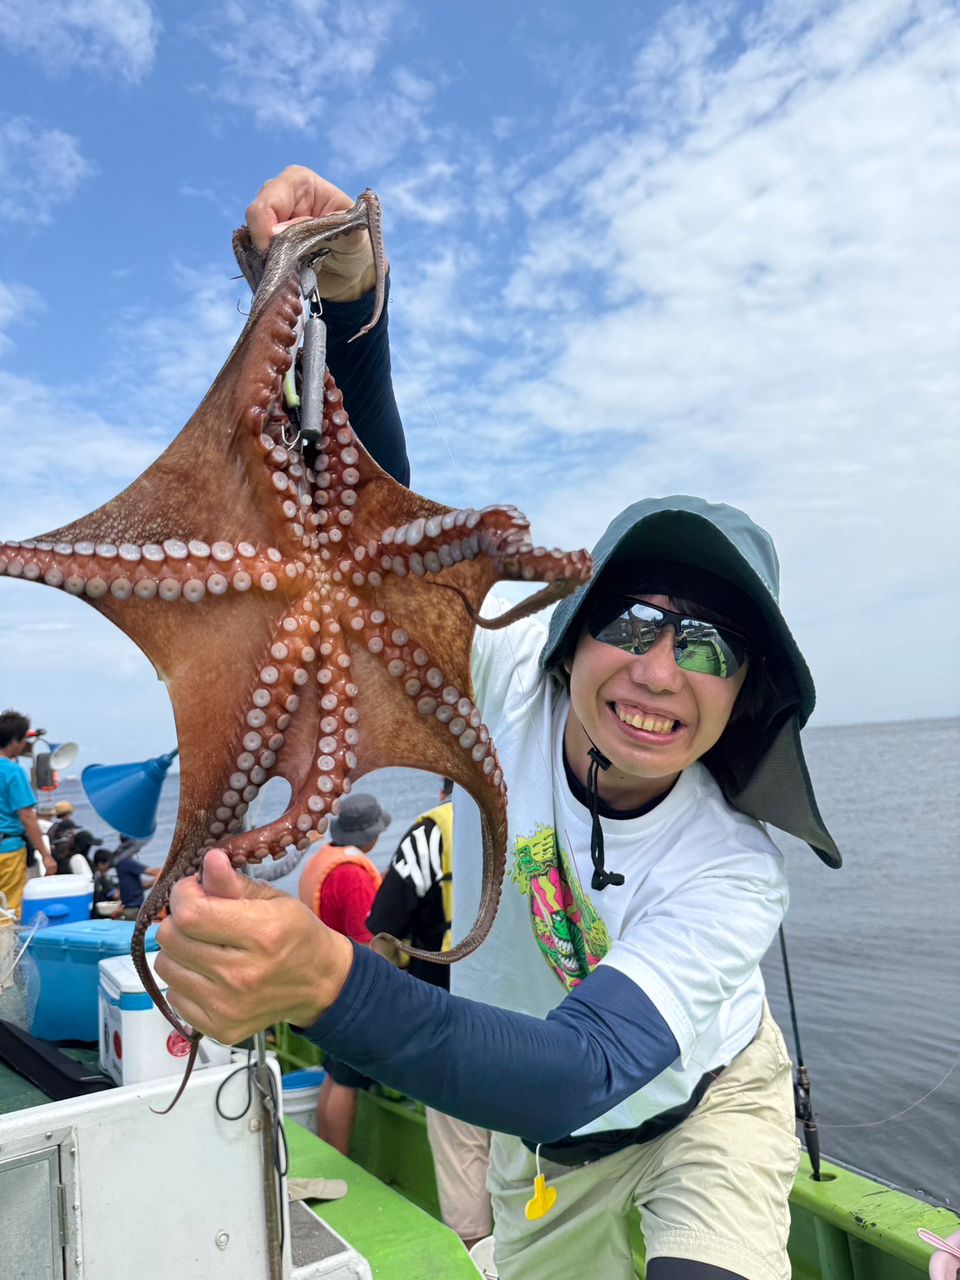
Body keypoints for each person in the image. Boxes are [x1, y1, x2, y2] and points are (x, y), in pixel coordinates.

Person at [156, 167, 842, 1280]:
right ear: (570, 636)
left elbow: (583, 1059)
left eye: (711, 645)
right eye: (633, 619)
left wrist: (328, 984)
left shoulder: (732, 869)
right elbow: (372, 554)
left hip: (709, 1103)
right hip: (552, 1152)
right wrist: (350, 307)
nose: (662, 670)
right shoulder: (503, 674)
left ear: (745, 692)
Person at [368, 778, 494, 1249]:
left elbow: (384, 937)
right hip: (531, 1025)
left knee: (462, 1151)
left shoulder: (431, 832)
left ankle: (476, 1253)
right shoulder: (540, 821)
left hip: (446, 1024)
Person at [297, 792, 389, 1155]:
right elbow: (367, 940)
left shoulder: (326, 861)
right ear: (369, 835)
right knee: (347, 1079)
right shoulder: (353, 875)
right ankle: (339, 1156)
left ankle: (327, 1147)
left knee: (333, 1073)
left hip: (325, 986)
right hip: (351, 990)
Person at [0, 710, 56, 915]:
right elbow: (27, 817)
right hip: (7, 851)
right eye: (23, 740)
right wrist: (46, 856)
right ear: (15, 741)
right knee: (7, 910)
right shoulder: (12, 771)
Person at [113, 835, 160, 919]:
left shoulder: (122, 860)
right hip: (133, 910)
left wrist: (156, 880)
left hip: (134, 908)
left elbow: (140, 886)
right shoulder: (127, 861)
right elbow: (152, 872)